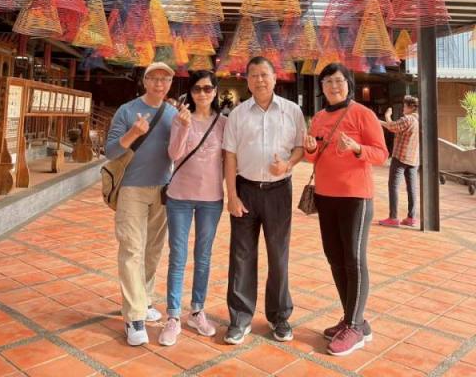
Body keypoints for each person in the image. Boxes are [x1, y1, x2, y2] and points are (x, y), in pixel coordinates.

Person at [304, 63, 388, 357]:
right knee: (335, 258)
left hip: (355, 197)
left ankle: (354, 326)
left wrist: (357, 148)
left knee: (353, 259)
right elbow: (312, 156)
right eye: (327, 82)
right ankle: (355, 319)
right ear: (322, 87)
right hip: (325, 196)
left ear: (348, 84)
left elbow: (381, 154)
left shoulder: (362, 114)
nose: (333, 86)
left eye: (338, 81)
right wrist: (310, 149)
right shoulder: (319, 117)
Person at [223, 56, 306, 345]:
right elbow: (230, 156)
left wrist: (288, 165)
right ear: (247, 80)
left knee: (278, 254)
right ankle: (240, 318)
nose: (259, 80)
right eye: (254, 75)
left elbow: (300, 148)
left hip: (279, 191)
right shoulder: (237, 115)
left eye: (264, 74)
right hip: (245, 190)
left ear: (274, 77)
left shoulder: (292, 111)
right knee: (241, 255)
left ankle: (279, 316)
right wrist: (232, 196)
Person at [105, 62, 178, 346]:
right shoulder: (127, 111)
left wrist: (185, 128)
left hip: (162, 190)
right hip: (131, 189)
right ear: (144, 81)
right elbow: (110, 151)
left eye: (165, 79)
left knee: (153, 250)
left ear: (170, 83)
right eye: (154, 78)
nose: (159, 84)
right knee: (132, 249)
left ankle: (144, 299)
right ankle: (134, 317)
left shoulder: (173, 114)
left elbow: (178, 152)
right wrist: (133, 133)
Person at [159, 70, 226, 346]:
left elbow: (229, 159)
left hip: (211, 198)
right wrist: (184, 126)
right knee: (178, 256)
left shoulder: (224, 123)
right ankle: (173, 316)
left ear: (215, 91)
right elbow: (174, 155)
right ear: (190, 92)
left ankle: (197, 311)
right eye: (197, 89)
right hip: (180, 197)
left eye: (207, 88)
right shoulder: (180, 118)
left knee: (203, 256)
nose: (202, 93)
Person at [379, 96, 420, 228]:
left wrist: (387, 116)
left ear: (411, 107)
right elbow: (394, 127)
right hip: (414, 159)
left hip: (400, 157)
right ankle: (411, 218)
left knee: (394, 186)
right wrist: (381, 121)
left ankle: (393, 217)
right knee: (412, 188)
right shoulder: (419, 120)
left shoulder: (408, 119)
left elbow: (392, 127)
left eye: (405, 106)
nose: (403, 108)